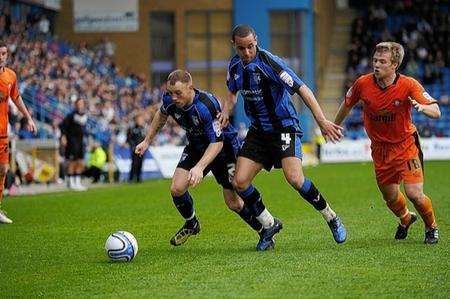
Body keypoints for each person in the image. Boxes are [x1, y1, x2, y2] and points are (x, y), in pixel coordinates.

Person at [219, 25, 347, 246]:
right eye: (242, 48)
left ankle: (331, 217)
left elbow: (302, 89)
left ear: (256, 41)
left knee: (295, 179)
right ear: (234, 46)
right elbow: (232, 92)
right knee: (239, 182)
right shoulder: (234, 66)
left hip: (284, 128)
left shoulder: (271, 63)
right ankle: (269, 225)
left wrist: (321, 120)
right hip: (258, 131)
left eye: (251, 46)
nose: (247, 52)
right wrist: (225, 111)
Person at [135, 70, 276, 250]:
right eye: (170, 93)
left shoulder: (206, 106)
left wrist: (200, 168)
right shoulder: (170, 100)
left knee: (233, 202)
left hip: (224, 149)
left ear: (190, 88)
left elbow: (216, 143)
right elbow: (161, 115)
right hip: (196, 146)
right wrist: (147, 141)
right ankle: (191, 223)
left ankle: (264, 231)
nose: (174, 97)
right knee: (177, 188)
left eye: (178, 93)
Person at [334, 42, 440, 244]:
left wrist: (422, 108)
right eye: (375, 60)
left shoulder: (409, 84)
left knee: (414, 194)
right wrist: (334, 125)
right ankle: (406, 219)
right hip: (380, 150)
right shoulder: (362, 84)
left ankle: (431, 227)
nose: (376, 65)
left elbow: (436, 111)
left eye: (382, 61)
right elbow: (347, 104)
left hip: (406, 146)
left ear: (394, 65)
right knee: (390, 198)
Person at [0, 42, 37, 224]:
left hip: (2, 133)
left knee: (3, 170)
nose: (1, 57)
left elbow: (16, 97)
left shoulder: (10, 76)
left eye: (3, 53)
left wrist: (29, 118)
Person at [60, 98, 88, 191]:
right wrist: (63, 137)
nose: (80, 105)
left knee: (80, 162)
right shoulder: (71, 115)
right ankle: (71, 182)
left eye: (81, 103)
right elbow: (63, 126)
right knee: (72, 162)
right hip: (72, 141)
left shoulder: (84, 116)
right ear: (75, 105)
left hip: (81, 142)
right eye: (78, 103)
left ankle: (77, 182)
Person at [127, 114, 146, 183]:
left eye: (141, 120)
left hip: (142, 149)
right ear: (136, 120)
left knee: (140, 163)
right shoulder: (132, 128)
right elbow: (129, 139)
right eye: (139, 120)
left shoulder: (142, 128)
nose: (140, 121)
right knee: (134, 164)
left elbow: (145, 138)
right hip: (134, 149)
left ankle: (138, 177)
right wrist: (133, 146)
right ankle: (131, 178)